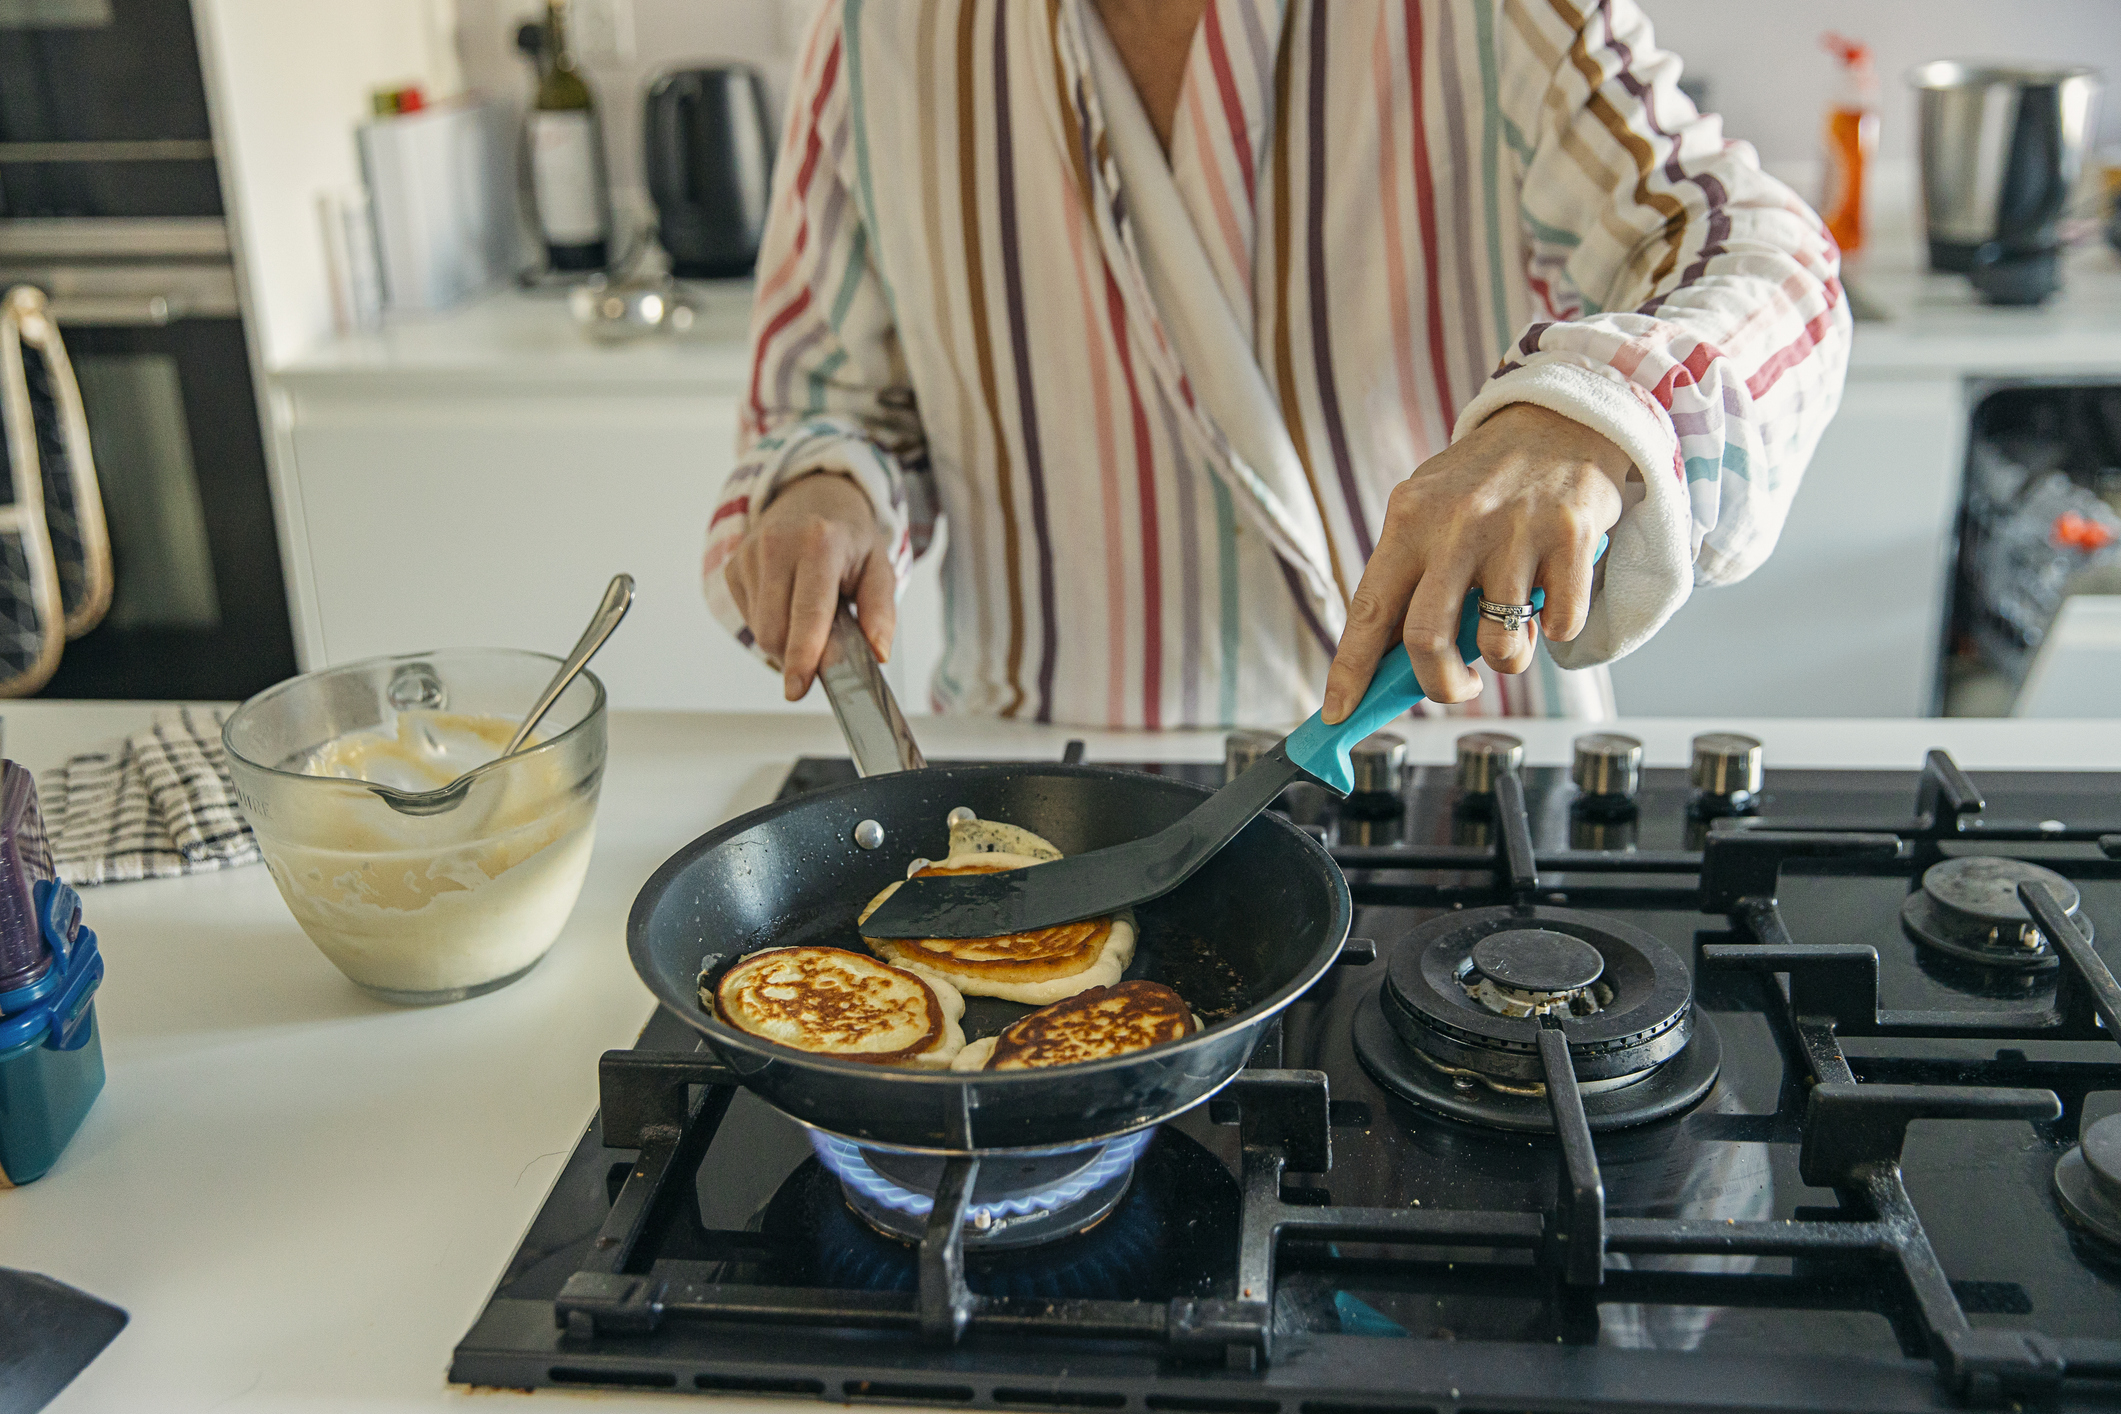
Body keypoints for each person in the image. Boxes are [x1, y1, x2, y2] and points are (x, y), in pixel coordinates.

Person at [706, 0, 1849, 728]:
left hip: (1456, 763)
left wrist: (1589, 415)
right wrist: (825, 490)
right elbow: (826, 403)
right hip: (1050, 779)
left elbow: (1766, 255)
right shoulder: (872, 34)